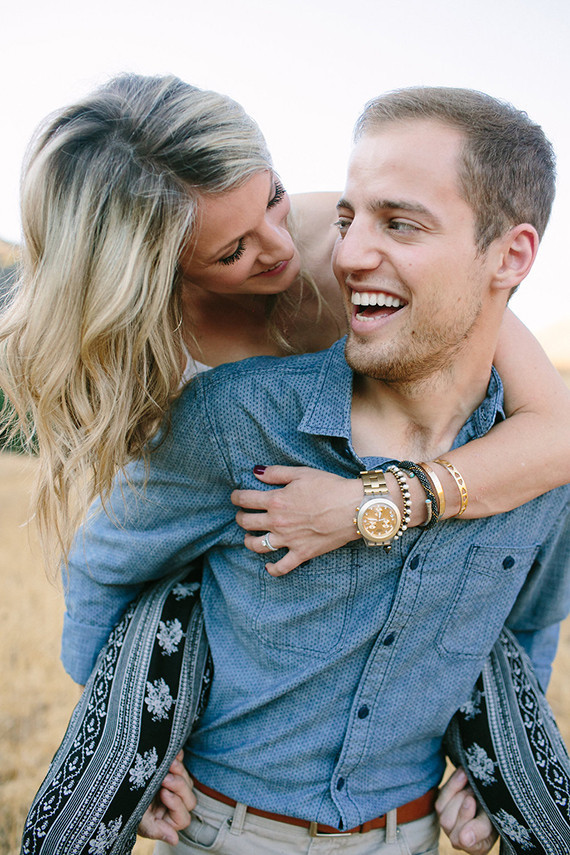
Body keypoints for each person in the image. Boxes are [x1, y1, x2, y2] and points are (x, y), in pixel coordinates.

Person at [0, 76, 567, 852]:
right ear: (159, 270)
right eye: (233, 250)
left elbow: (555, 433)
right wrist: (137, 742)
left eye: (273, 199)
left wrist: (372, 504)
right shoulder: (204, 394)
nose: (288, 250)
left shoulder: (343, 248)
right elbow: (110, 563)